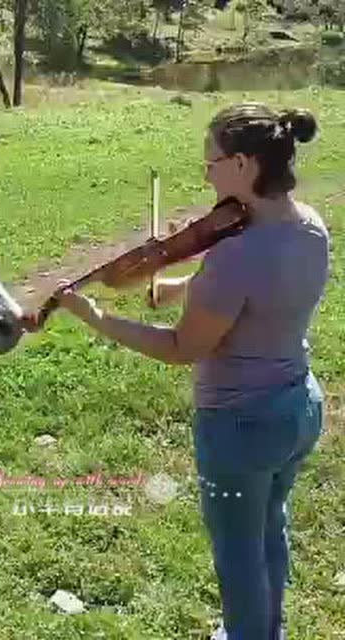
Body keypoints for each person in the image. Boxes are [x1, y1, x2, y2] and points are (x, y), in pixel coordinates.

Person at [51, 103, 329, 640]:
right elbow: (263, 295)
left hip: (240, 427)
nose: (205, 173)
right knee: (271, 534)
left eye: (213, 161)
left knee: (238, 559)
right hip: (298, 408)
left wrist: (98, 318)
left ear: (245, 165)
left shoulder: (235, 256)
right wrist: (184, 286)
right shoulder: (309, 227)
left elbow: (182, 347)